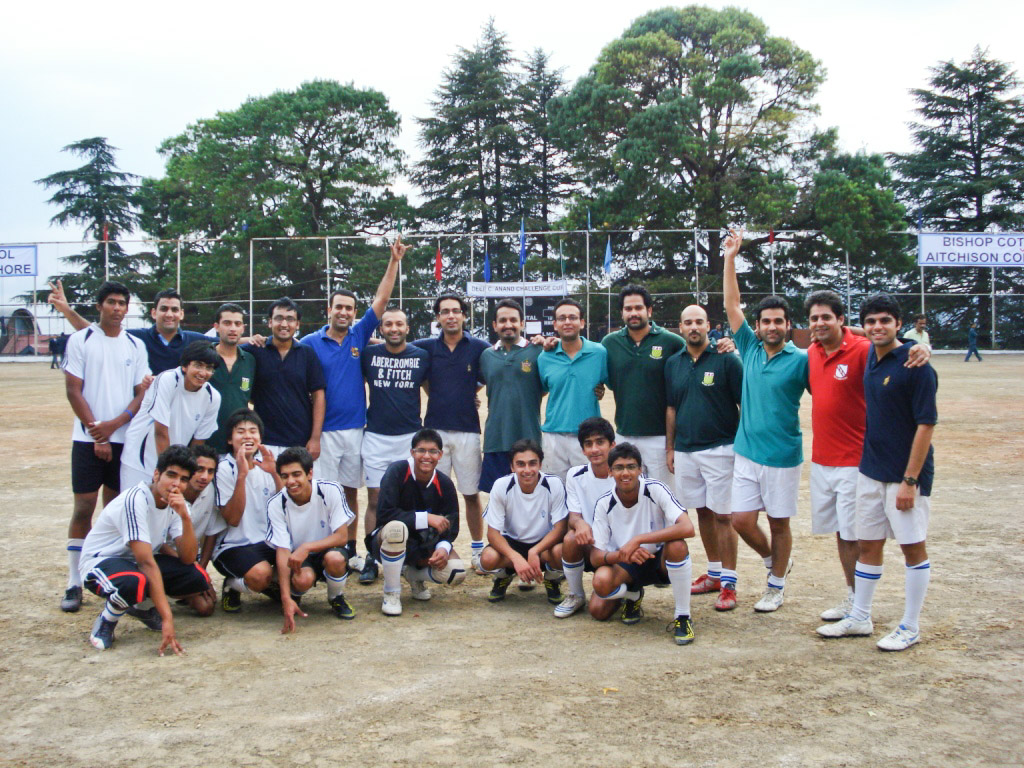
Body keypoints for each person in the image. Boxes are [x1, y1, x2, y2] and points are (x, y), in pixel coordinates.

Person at [817, 293, 938, 651]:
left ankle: (910, 626)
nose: (877, 327)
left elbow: (926, 425)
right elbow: (849, 330)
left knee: (912, 548)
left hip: (905, 477)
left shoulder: (917, 366)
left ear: (899, 324)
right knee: (868, 545)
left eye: (885, 321)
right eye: (870, 322)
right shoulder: (870, 353)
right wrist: (843, 326)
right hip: (869, 470)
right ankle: (860, 616)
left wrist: (910, 480)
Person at [300, 238, 407, 578]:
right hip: (324, 435)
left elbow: (382, 300)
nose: (344, 312)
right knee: (325, 494)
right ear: (328, 310)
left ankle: (351, 550)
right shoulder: (309, 344)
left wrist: (394, 261)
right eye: (339, 307)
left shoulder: (360, 335)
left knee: (350, 493)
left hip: (357, 431)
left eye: (349, 308)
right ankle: (323, 551)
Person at [723, 229, 808, 612]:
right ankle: (776, 562)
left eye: (778, 321)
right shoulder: (750, 349)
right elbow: (732, 303)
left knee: (779, 524)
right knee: (740, 521)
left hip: (782, 456)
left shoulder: (803, 361)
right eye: (766, 321)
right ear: (757, 326)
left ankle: (775, 586)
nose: (771, 327)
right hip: (746, 453)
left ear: (789, 325)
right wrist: (730, 257)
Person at [60, 281, 151, 613]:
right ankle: (73, 581)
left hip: (122, 440)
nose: (117, 308)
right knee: (84, 508)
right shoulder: (81, 340)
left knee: (113, 512)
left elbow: (141, 393)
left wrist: (115, 425)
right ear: (99, 306)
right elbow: (74, 390)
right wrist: (97, 433)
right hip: (88, 439)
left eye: (122, 303)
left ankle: (105, 576)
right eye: (111, 302)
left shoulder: (135, 345)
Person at [79, 445, 210, 653]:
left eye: (183, 479)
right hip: (101, 561)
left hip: (134, 563)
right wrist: (168, 618)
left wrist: (185, 517)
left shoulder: (177, 504)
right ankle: (107, 620)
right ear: (156, 474)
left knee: (196, 576)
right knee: (135, 580)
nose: (176, 484)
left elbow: (188, 558)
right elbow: (146, 562)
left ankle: (142, 608)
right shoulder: (135, 500)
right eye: (171, 475)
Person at [664, 304, 743, 611]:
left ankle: (730, 582)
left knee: (724, 516)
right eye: (688, 322)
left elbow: (743, 403)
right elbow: (671, 408)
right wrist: (671, 448)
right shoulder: (673, 363)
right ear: (680, 329)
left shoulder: (727, 360)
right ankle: (713, 573)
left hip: (721, 449)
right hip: (685, 450)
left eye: (699, 321)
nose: (693, 326)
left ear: (709, 325)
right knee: (703, 513)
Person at [412, 293, 490, 578]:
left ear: (464, 316)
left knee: (470, 494)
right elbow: (390, 345)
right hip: (435, 434)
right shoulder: (427, 347)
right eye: (445, 312)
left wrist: (472, 394)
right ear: (437, 317)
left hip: (468, 431)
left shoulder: (479, 347)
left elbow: (496, 367)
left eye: (456, 311)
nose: (451, 316)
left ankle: (478, 550)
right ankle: (431, 548)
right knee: (432, 495)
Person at [588, 443, 697, 645]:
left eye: (631, 466)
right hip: (627, 563)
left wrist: (639, 540)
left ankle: (683, 617)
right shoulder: (604, 503)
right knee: (598, 604)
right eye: (619, 468)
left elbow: (687, 527)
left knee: (677, 546)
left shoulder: (655, 489)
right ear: (610, 472)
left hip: (659, 558)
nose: (625, 473)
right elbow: (595, 557)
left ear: (640, 470)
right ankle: (632, 595)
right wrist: (622, 555)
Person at [360, 306, 431, 580]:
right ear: (381, 329)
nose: (394, 329)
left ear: (407, 328)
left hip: (409, 438)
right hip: (376, 436)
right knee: (375, 499)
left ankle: (409, 553)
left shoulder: (421, 356)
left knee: (408, 500)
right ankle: (371, 555)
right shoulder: (368, 355)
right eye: (388, 324)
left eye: (399, 324)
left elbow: (430, 390)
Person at [371, 429, 465, 616]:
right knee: (397, 530)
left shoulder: (445, 483)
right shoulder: (397, 471)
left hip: (423, 545)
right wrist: (425, 518)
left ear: (440, 454)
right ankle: (391, 591)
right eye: (421, 450)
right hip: (388, 541)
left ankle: (411, 575)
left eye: (433, 451)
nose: (426, 456)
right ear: (412, 452)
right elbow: (384, 514)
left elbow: (451, 525)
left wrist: (443, 548)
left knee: (456, 572)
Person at [601, 285, 684, 485]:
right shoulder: (609, 343)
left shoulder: (671, 341)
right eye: (628, 309)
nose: (633, 313)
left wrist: (723, 345)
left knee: (663, 498)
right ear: (621, 313)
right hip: (624, 434)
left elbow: (698, 353)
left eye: (638, 308)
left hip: (660, 437)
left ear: (649, 310)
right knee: (628, 497)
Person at [268, 447, 357, 632]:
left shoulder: (330, 489)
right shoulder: (276, 504)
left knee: (335, 559)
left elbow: (342, 537)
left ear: (310, 473)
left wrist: (307, 547)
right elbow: (283, 551)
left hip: (327, 550)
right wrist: (285, 599)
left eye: (296, 474)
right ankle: (294, 595)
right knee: (302, 581)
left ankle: (336, 597)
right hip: (301, 559)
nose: (291, 481)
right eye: (284, 476)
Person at [119, 341, 222, 490]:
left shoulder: (213, 397)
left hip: (173, 468)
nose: (203, 373)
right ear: (185, 366)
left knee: (164, 512)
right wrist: (166, 472)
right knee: (135, 509)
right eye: (198, 365)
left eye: (209, 368)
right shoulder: (167, 380)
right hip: (139, 461)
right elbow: (160, 432)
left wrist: (181, 473)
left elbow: (198, 442)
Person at [48, 281, 210, 374]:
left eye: (174, 310)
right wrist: (66, 310)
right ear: (154, 313)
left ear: (181, 314)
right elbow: (96, 332)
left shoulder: (194, 340)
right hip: (142, 416)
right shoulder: (137, 339)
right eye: (164, 309)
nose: (169, 314)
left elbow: (228, 342)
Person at [480, 439, 567, 606]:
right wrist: (516, 558)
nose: (527, 470)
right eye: (520, 464)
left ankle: (552, 578)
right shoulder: (501, 485)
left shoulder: (554, 484)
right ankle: (504, 574)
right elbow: (492, 533)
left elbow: (560, 528)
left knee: (562, 552)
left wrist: (534, 551)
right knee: (487, 559)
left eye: (532, 463)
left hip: (543, 545)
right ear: (512, 467)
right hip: (512, 542)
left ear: (540, 464)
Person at [212, 409, 285, 612]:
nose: (247, 436)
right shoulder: (223, 468)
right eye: (240, 431)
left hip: (265, 541)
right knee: (260, 576)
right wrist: (241, 476)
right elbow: (233, 519)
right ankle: (232, 585)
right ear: (229, 439)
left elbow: (284, 509)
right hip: (234, 545)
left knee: (297, 576)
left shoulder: (266, 465)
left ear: (260, 438)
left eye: (253, 431)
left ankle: (268, 583)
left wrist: (275, 474)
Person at [478, 299, 545, 497]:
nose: (508, 325)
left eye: (513, 320)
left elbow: (548, 385)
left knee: (530, 497)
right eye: (503, 320)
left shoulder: (538, 352)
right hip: (496, 439)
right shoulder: (486, 356)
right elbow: (476, 384)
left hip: (528, 437)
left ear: (522, 323)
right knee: (498, 497)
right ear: (495, 325)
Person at [243, 297, 326, 457]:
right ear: (269, 322)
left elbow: (318, 395)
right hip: (264, 441)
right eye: (278, 318)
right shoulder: (255, 350)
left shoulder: (307, 354)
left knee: (295, 483)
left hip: (299, 440)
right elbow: (224, 345)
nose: (284, 324)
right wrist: (248, 339)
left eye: (290, 319)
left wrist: (315, 438)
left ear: (297, 324)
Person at [538, 298, 608, 479]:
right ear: (555, 324)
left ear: (582, 322)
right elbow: (543, 389)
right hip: (553, 436)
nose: (567, 322)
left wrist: (601, 390)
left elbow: (608, 381)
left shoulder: (599, 353)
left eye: (572, 317)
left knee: (588, 491)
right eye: (562, 318)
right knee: (555, 494)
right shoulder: (545, 357)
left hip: (588, 437)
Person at [555, 417, 616, 618]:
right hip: (590, 544)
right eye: (588, 444)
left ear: (612, 445)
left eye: (600, 442)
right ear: (582, 450)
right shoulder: (575, 475)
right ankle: (576, 594)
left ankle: (631, 591)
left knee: (598, 611)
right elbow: (573, 515)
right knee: (570, 539)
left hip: (618, 549)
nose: (594, 449)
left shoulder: (624, 476)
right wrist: (580, 523)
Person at [206, 303, 256, 454]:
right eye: (227, 323)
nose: (232, 328)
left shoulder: (250, 360)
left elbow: (252, 400)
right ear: (216, 326)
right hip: (204, 443)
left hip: (237, 446)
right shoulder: (204, 357)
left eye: (237, 324)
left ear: (243, 328)